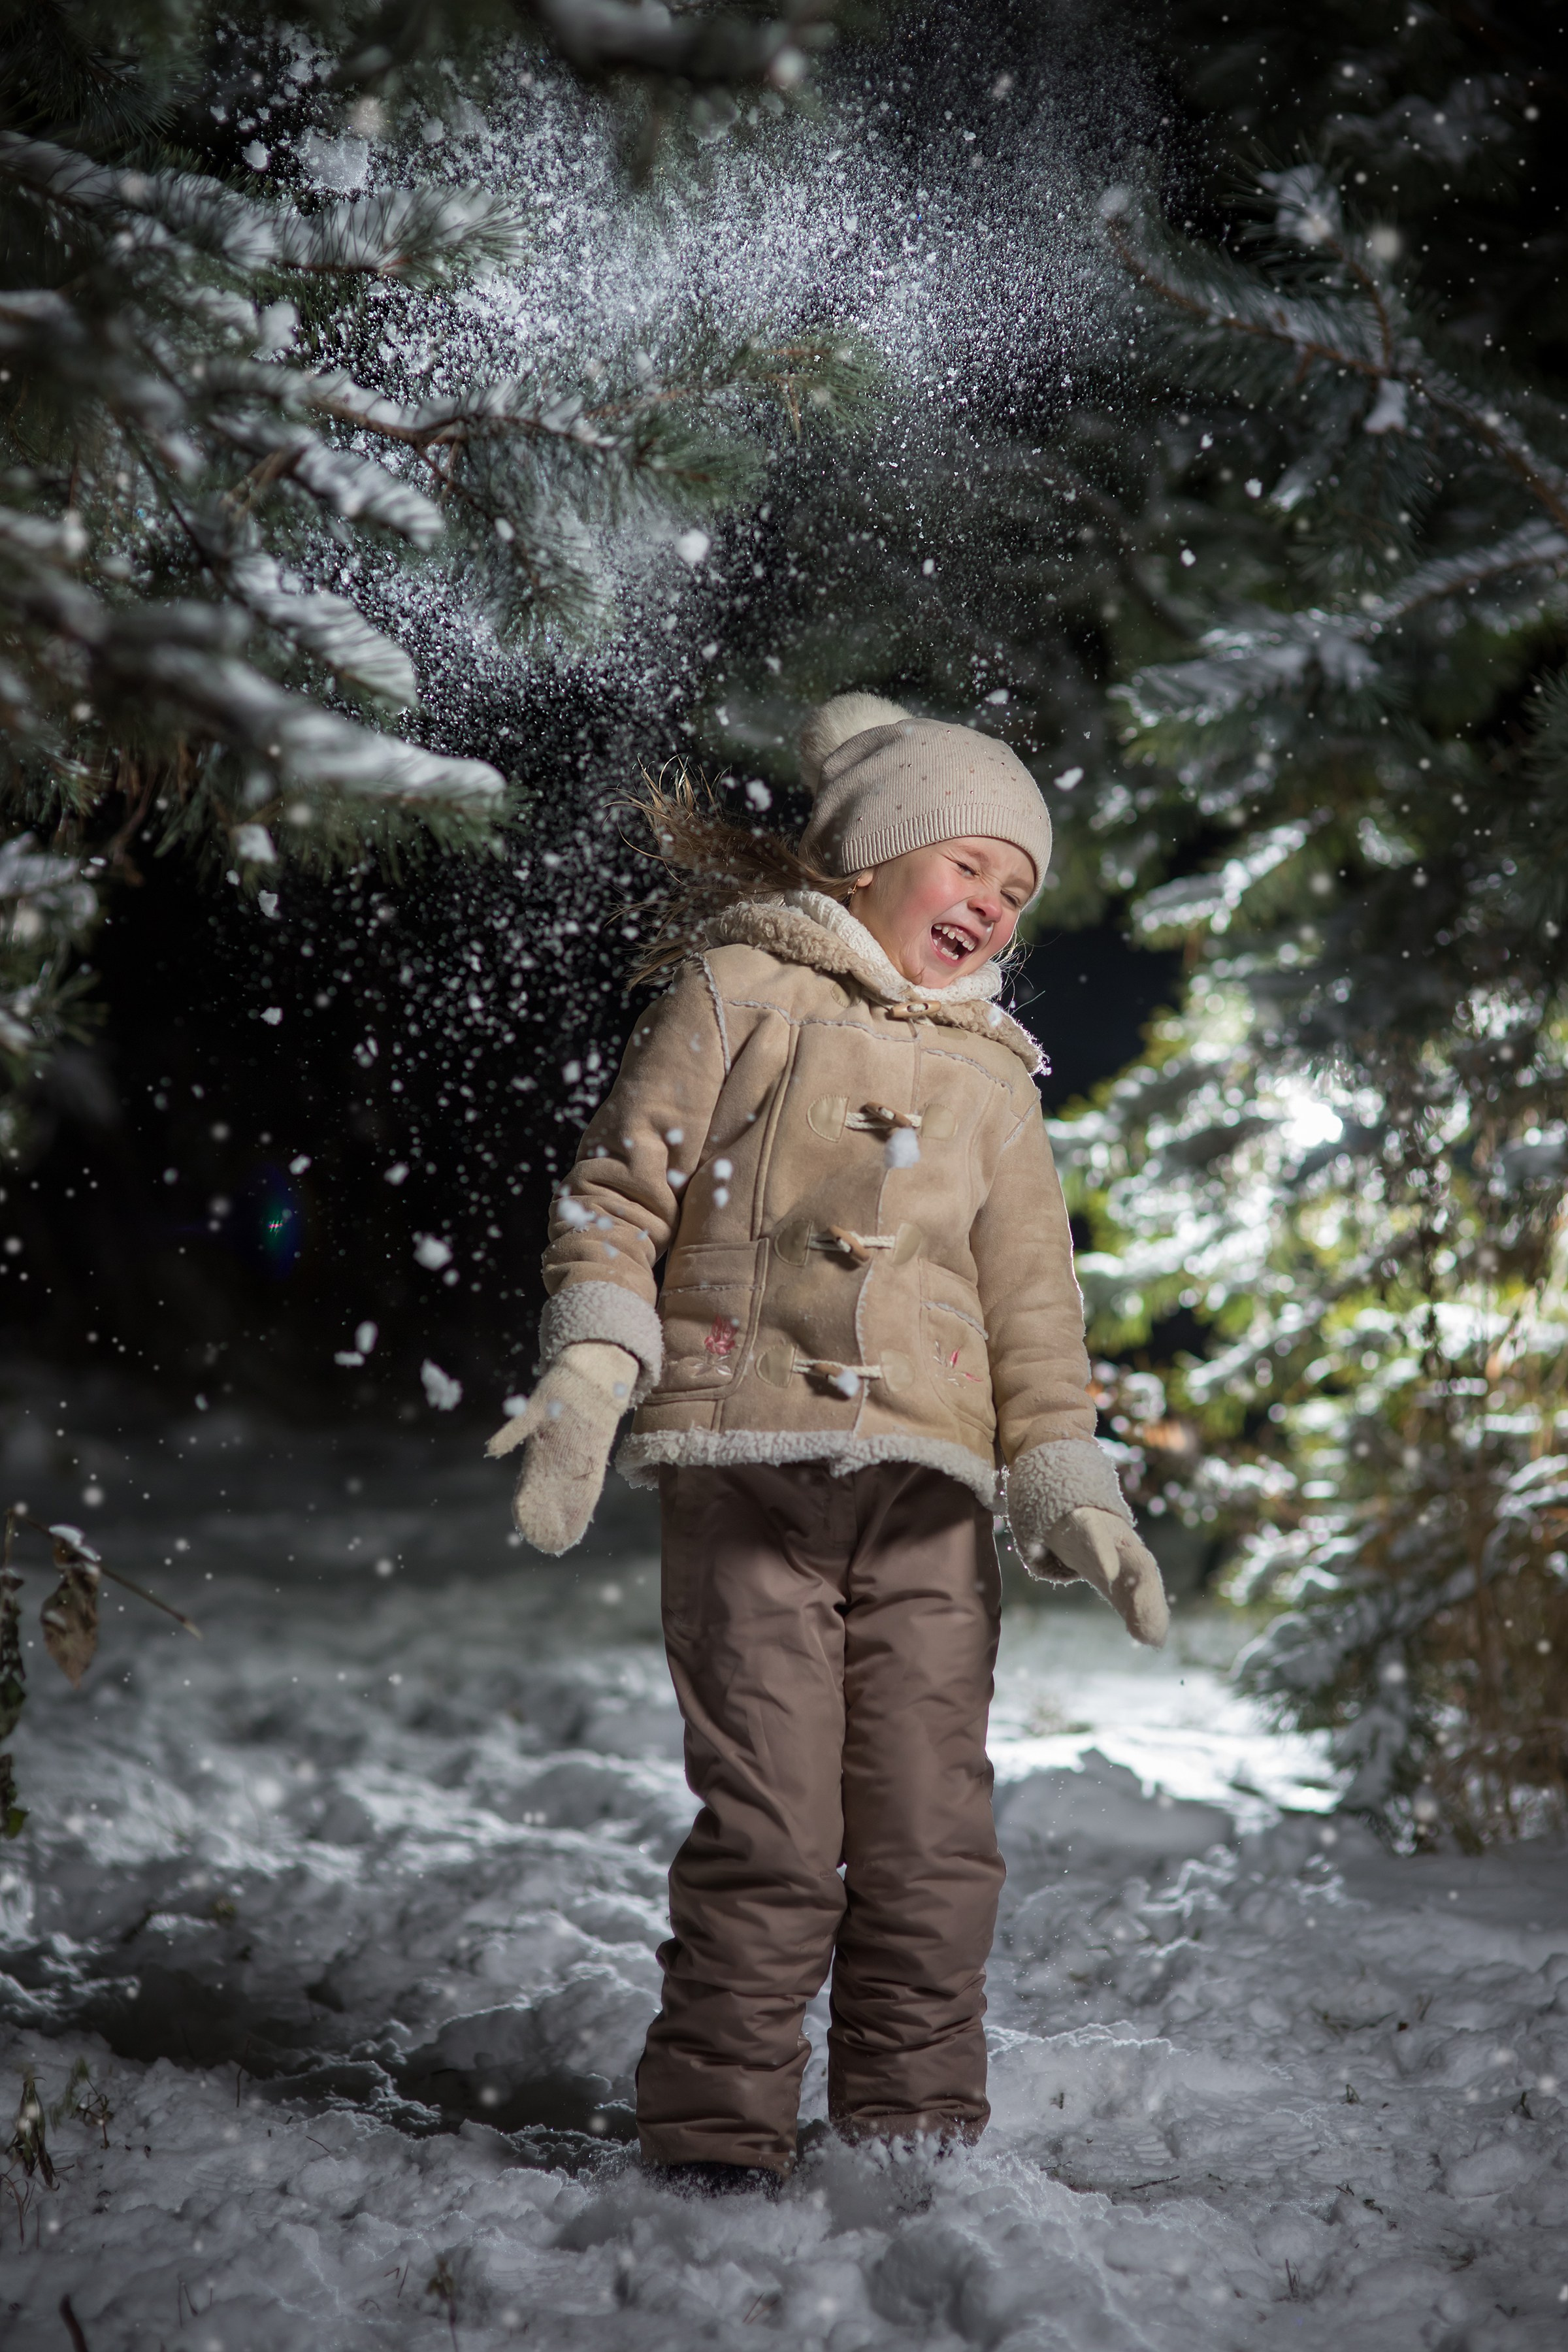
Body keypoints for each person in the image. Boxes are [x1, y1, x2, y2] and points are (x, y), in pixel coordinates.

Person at [487, 692, 1167, 2190]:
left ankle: (912, 2137)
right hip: (747, 1469)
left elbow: (1034, 1306)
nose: (993, 907)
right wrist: (595, 1367)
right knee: (774, 1832)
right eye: (970, 864)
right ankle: (717, 2146)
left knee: (932, 1837)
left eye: (1018, 892)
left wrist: (1070, 1479)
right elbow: (621, 1190)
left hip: (931, 1501)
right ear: (870, 856)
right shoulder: (737, 992)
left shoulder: (995, 1079)